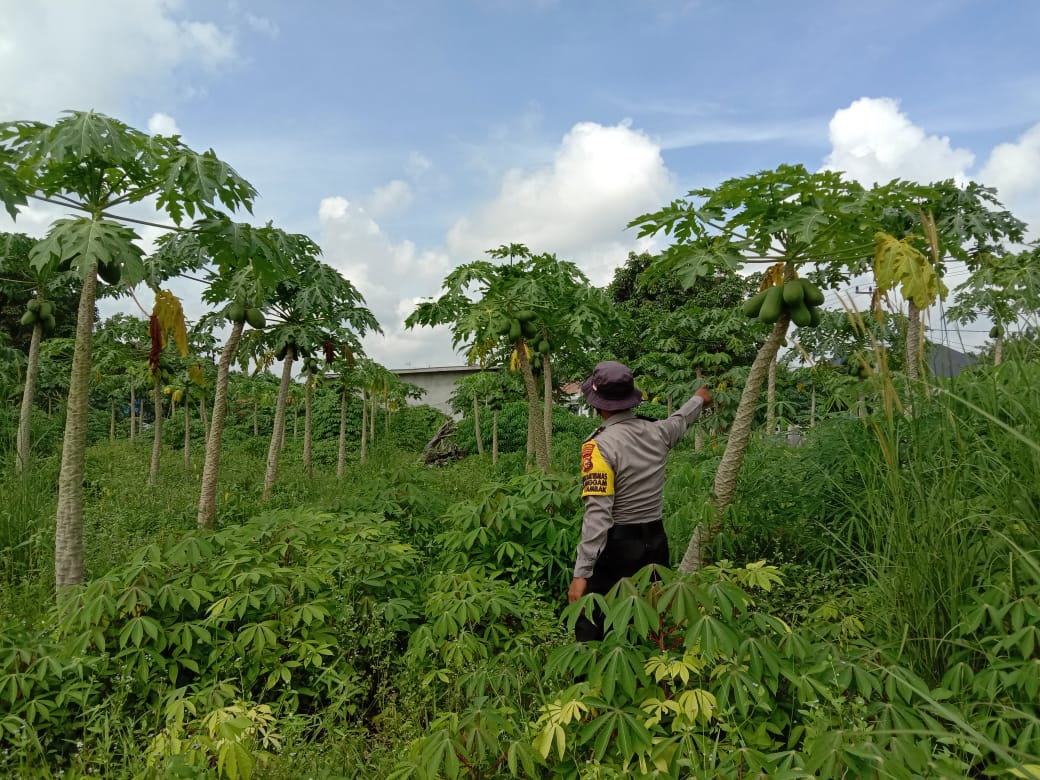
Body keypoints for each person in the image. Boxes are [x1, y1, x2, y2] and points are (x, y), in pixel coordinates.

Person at [568, 360, 712, 642]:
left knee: (593, 623)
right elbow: (681, 419)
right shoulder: (658, 432)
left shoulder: (599, 447)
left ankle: (590, 683)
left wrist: (581, 573)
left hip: (616, 550)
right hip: (656, 546)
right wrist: (700, 398)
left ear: (598, 404)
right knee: (646, 620)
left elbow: (598, 515)